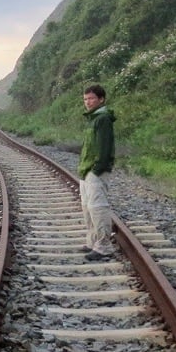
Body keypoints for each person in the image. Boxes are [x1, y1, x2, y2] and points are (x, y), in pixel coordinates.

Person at [78, 84, 117, 259]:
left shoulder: (103, 119)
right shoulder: (93, 119)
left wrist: (98, 168)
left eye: (92, 98)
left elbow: (104, 147)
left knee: (98, 207)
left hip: (95, 170)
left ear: (101, 99)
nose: (88, 102)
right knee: (88, 207)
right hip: (86, 169)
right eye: (86, 99)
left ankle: (104, 246)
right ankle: (92, 241)